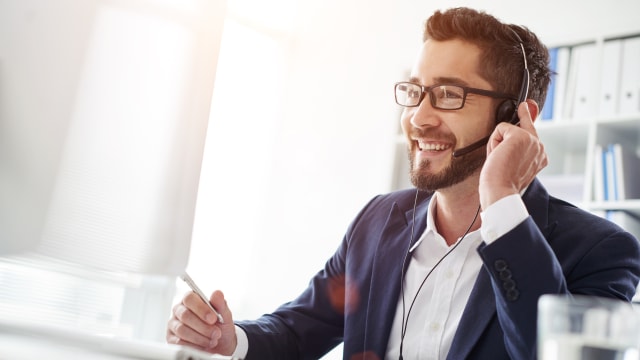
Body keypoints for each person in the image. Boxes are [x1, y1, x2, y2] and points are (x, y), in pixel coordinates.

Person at [166, 7, 640, 360]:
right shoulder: (378, 221)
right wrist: (231, 339)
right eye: (415, 92)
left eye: (449, 95)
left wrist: (500, 197)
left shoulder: (603, 251)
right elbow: (300, 327)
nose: (417, 117)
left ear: (517, 117)